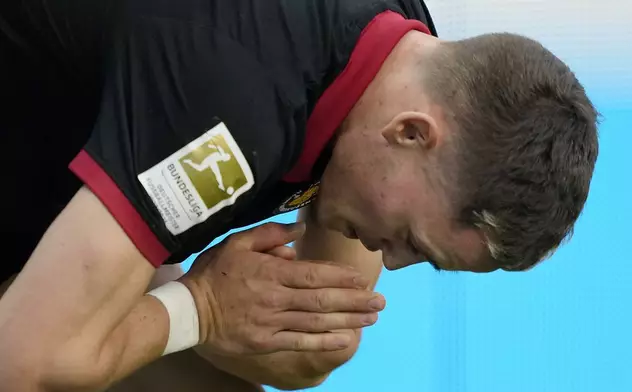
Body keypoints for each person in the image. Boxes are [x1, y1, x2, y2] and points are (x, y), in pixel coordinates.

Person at [0, 0, 599, 390]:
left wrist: (208, 316)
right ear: (411, 132)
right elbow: (26, 360)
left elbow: (312, 347)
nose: (390, 261)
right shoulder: (233, 107)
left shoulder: (401, 55)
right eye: (412, 241)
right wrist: (200, 311)